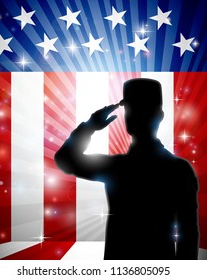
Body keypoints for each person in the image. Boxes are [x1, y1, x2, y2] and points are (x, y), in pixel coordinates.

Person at [55, 78, 199, 260]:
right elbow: (188, 236)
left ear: (159, 115)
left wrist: (90, 126)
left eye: (141, 107)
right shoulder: (178, 169)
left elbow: (65, 159)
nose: (133, 115)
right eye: (130, 108)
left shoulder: (115, 167)